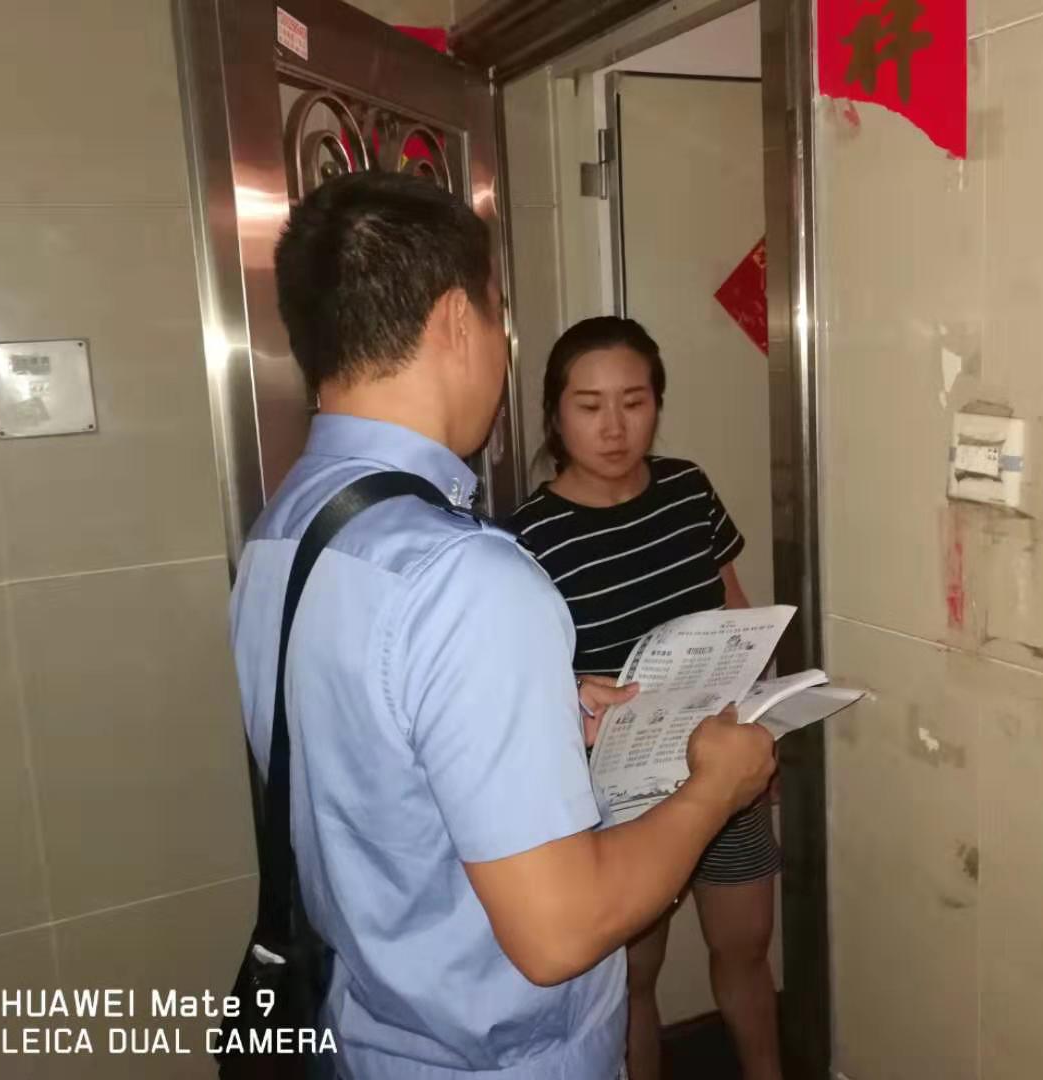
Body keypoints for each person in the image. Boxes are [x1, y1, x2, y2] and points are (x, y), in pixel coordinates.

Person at [229, 172, 777, 1080]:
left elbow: (376, 758)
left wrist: (546, 707)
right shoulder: (467, 575)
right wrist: (717, 787)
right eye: (498, 314)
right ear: (457, 320)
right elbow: (560, 932)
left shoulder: (285, 531)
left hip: (370, 1030)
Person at [507, 316, 784, 1080]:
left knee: (747, 951)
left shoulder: (688, 490)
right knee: (629, 982)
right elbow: (527, 684)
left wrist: (766, 731)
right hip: (619, 797)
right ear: (555, 414)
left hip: (723, 767)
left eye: (634, 402)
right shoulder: (527, 539)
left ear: (657, 403)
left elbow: (735, 614)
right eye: (589, 405)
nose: (614, 427)